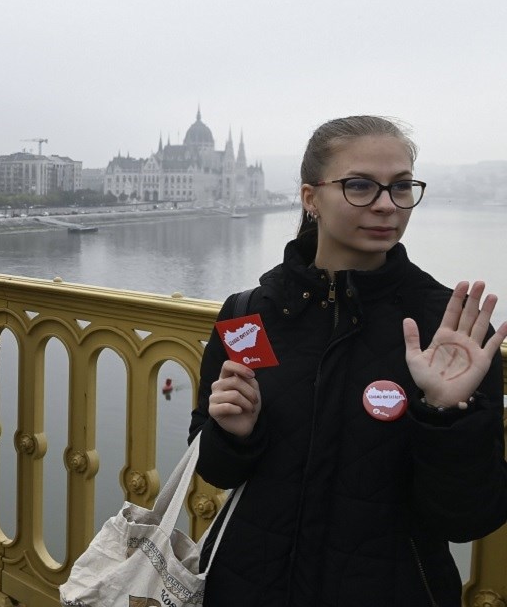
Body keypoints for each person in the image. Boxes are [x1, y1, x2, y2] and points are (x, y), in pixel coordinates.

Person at [190, 116, 507, 606]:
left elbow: (466, 519)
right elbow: (215, 471)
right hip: (246, 586)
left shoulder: (448, 332)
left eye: (401, 187)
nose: (386, 205)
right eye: (359, 186)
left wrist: (446, 416)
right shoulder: (248, 314)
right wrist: (236, 433)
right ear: (310, 197)